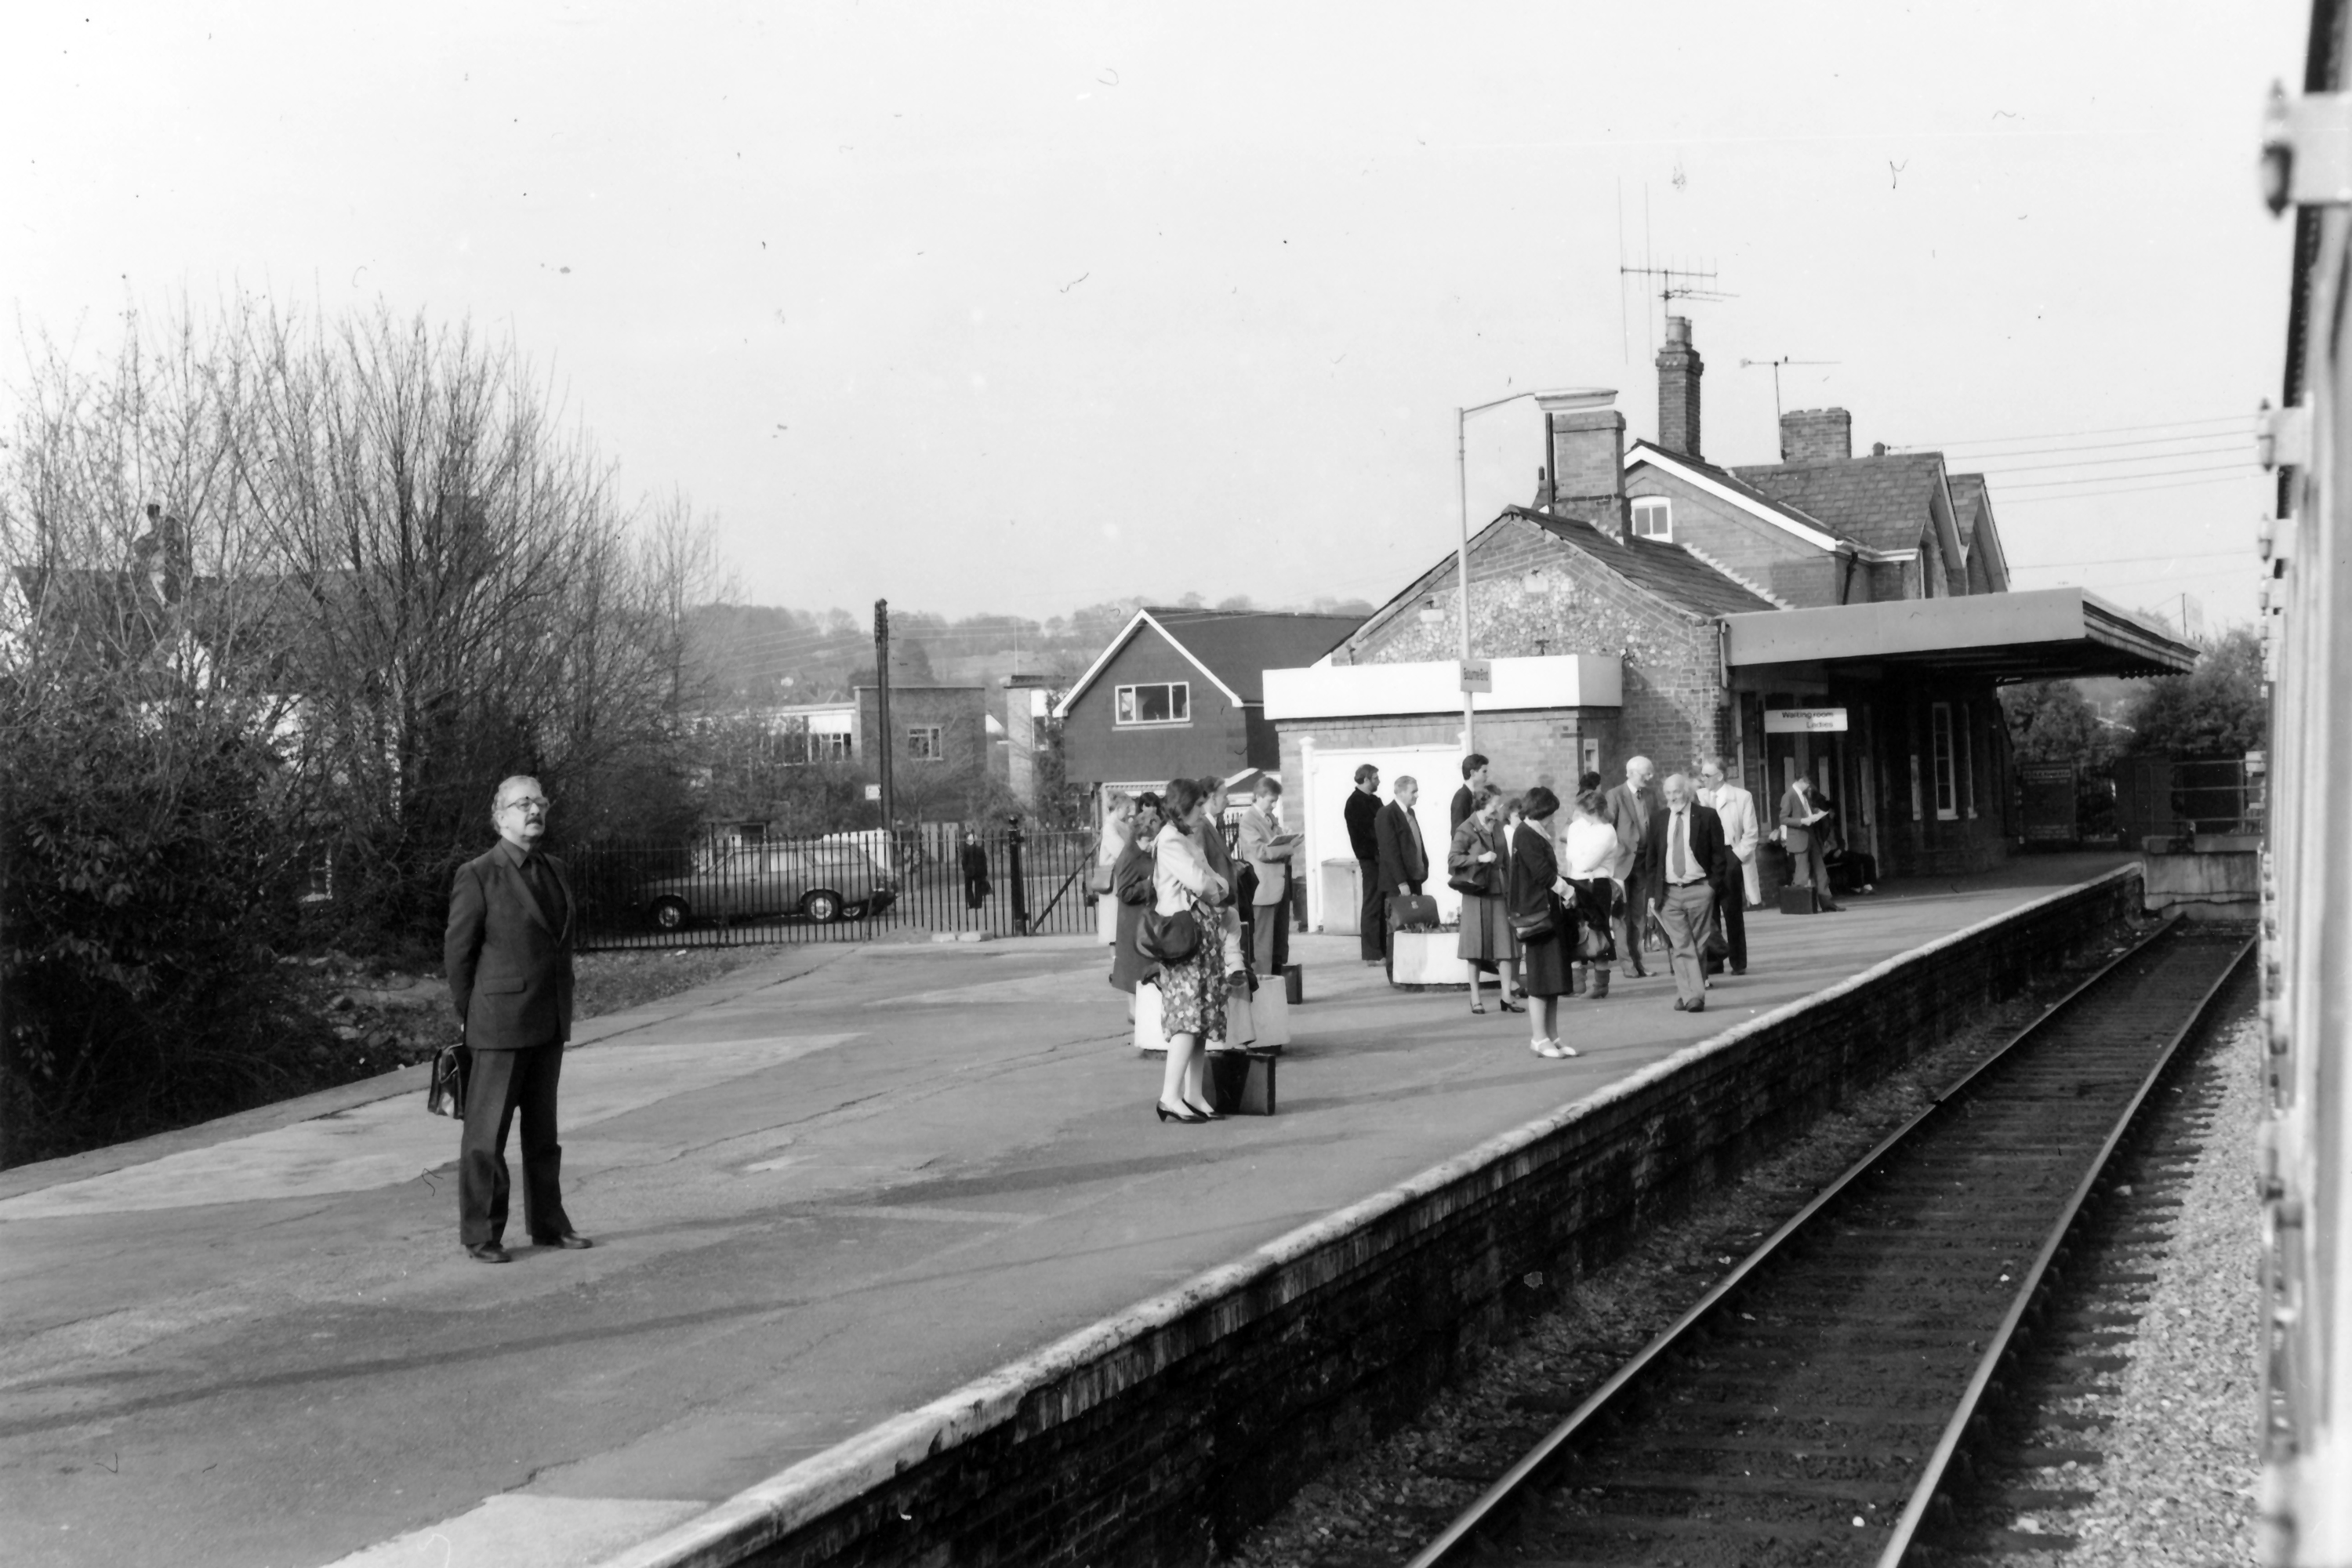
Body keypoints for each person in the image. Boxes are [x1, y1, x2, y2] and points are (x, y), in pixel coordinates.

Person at [444, 775, 590, 1263]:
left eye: (540, 801)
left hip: (548, 1021)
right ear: (500, 815)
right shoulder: (478, 874)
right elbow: (458, 956)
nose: (534, 810)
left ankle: (549, 1225)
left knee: (543, 1137)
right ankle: (481, 1234)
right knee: (486, 1139)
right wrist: (473, 1015)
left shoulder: (556, 869)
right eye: (522, 803)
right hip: (498, 1025)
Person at [1150, 776, 1228, 1123]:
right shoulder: (1169, 839)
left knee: (1201, 1017)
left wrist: (1214, 887)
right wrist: (1214, 887)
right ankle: (1170, 1095)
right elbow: (1203, 882)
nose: (1203, 810)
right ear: (1184, 806)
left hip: (1199, 935)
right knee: (1187, 1016)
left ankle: (1193, 1093)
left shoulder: (1183, 837)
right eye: (1198, 805)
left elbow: (1215, 880)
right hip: (1183, 938)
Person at [1638, 772, 1727, 1013]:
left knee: (1697, 944)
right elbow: (1652, 859)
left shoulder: (1707, 816)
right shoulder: (1658, 819)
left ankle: (1686, 993)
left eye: (1676, 792)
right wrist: (1652, 894)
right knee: (1681, 945)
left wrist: (1712, 887)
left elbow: (1720, 855)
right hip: (1668, 892)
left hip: (1699, 888)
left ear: (1686, 792)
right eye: (1667, 793)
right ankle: (1694, 996)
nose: (1672, 797)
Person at [1507, 785, 1577, 1058]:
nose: (1552, 819)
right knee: (1539, 977)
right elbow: (1541, 873)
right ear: (1541, 810)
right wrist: (1569, 891)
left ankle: (1553, 1035)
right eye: (1550, 813)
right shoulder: (1526, 834)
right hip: (1538, 915)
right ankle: (1538, 1037)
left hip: (1549, 913)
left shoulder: (1534, 832)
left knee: (1554, 977)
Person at [1448, 784, 1523, 1015]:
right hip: (1476, 892)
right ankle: (1475, 998)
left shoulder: (1498, 826)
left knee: (1506, 947)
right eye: (1495, 804)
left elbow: (1507, 860)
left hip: (1499, 890)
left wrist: (1514, 890)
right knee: (1475, 948)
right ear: (1482, 803)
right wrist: (1479, 857)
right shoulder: (1466, 828)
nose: (1499, 808)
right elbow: (1453, 859)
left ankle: (1506, 997)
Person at [1697, 757, 1759, 975]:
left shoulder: (1741, 797)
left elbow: (1751, 834)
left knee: (1732, 911)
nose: (1702, 779)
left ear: (1720, 776)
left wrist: (1736, 857)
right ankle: (1714, 962)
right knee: (1708, 911)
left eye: (1706, 775)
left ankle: (1738, 962)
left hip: (1729, 853)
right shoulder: (1699, 797)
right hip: (1705, 858)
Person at [1236, 775, 1298, 982]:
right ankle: (1262, 983)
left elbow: (1273, 843)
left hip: (1279, 884)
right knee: (1263, 941)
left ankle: (1277, 982)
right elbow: (1261, 851)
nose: (1274, 804)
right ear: (1258, 796)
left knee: (1279, 940)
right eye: (1271, 800)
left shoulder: (1270, 818)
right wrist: (1288, 847)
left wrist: (1285, 836)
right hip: (1263, 887)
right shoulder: (1248, 821)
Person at [1560, 789, 1621, 999]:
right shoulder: (1577, 827)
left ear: (1593, 810)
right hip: (1576, 882)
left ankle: (1600, 986)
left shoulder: (1607, 831)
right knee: (1574, 931)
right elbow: (1570, 854)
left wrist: (1579, 854)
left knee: (1597, 930)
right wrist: (1580, 854)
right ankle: (1577, 984)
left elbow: (1587, 862)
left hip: (1597, 885)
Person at [1108, 795, 1162, 1018]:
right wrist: (1150, 884)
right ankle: (1135, 1011)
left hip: (1144, 916)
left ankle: (1142, 1010)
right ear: (1139, 836)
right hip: (1132, 918)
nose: (1151, 846)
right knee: (1133, 965)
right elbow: (1125, 892)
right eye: (1148, 841)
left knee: (1142, 964)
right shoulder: (1130, 855)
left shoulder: (1143, 852)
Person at [1606, 757, 1658, 980]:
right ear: (1632, 773)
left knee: (1639, 916)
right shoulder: (1615, 795)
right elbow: (1608, 829)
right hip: (1621, 863)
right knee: (1621, 916)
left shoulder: (1651, 795)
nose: (1650, 777)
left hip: (1644, 863)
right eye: (1646, 773)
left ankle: (1639, 963)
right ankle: (1627, 965)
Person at [1195, 777, 1248, 984]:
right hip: (1215, 905)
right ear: (1211, 798)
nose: (1228, 800)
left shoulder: (1213, 825)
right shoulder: (1202, 827)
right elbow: (1201, 866)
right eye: (1225, 796)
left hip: (1224, 902)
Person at [1375, 775, 1430, 952]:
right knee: (1398, 929)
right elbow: (1389, 851)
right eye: (1413, 791)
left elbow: (1416, 843)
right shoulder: (1387, 814)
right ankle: (1395, 973)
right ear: (1401, 792)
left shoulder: (1410, 813)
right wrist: (1401, 883)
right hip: (1398, 884)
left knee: (1414, 926)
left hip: (1414, 878)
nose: (1417, 795)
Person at [1779, 771, 1843, 912]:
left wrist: (1817, 813)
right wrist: (1802, 821)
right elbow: (1783, 818)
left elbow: (1806, 810)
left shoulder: (1803, 796)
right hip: (1799, 838)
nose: (1809, 788)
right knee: (1802, 873)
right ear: (1800, 781)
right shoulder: (1788, 796)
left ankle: (1827, 903)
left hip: (1812, 837)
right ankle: (1802, 905)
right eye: (1807, 784)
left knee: (1821, 871)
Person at [1344, 764, 1385, 964]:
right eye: (1376, 778)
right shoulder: (1354, 803)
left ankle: (1382, 950)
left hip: (1382, 858)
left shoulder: (1375, 800)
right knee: (1372, 903)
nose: (1379, 781)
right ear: (1366, 779)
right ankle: (1371, 953)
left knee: (1382, 903)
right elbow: (1366, 833)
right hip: (1370, 859)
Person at [1094, 791, 1135, 947]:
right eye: (1126, 807)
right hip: (1114, 877)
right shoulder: (1111, 827)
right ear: (1118, 808)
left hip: (1121, 876)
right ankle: (1115, 961)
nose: (1128, 811)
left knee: (1118, 922)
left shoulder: (1120, 825)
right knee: (1113, 924)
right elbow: (1120, 851)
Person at [1450, 753, 1490, 833]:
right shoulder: (1461, 797)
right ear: (1473, 773)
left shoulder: (1474, 795)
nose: (1487, 776)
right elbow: (1458, 832)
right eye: (1484, 772)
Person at [960, 829, 992, 913]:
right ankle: (978, 904)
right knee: (978, 888)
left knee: (968, 888)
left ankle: (971, 903)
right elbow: (984, 861)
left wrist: (965, 869)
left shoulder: (966, 850)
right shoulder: (980, 849)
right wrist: (985, 872)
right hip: (979, 871)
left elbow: (964, 861)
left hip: (969, 871)